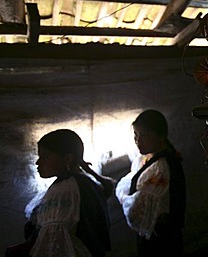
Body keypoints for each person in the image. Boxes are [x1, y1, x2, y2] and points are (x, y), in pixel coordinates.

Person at [6, 129, 111, 257]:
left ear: (67, 158)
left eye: (45, 156)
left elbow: (53, 243)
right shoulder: (84, 181)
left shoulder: (65, 190)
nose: (38, 162)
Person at [115, 109, 186, 256]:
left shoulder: (161, 168)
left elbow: (135, 210)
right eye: (136, 135)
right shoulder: (145, 159)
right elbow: (126, 182)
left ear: (161, 136)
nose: (138, 141)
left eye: (145, 136)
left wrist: (123, 197)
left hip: (161, 239)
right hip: (152, 235)